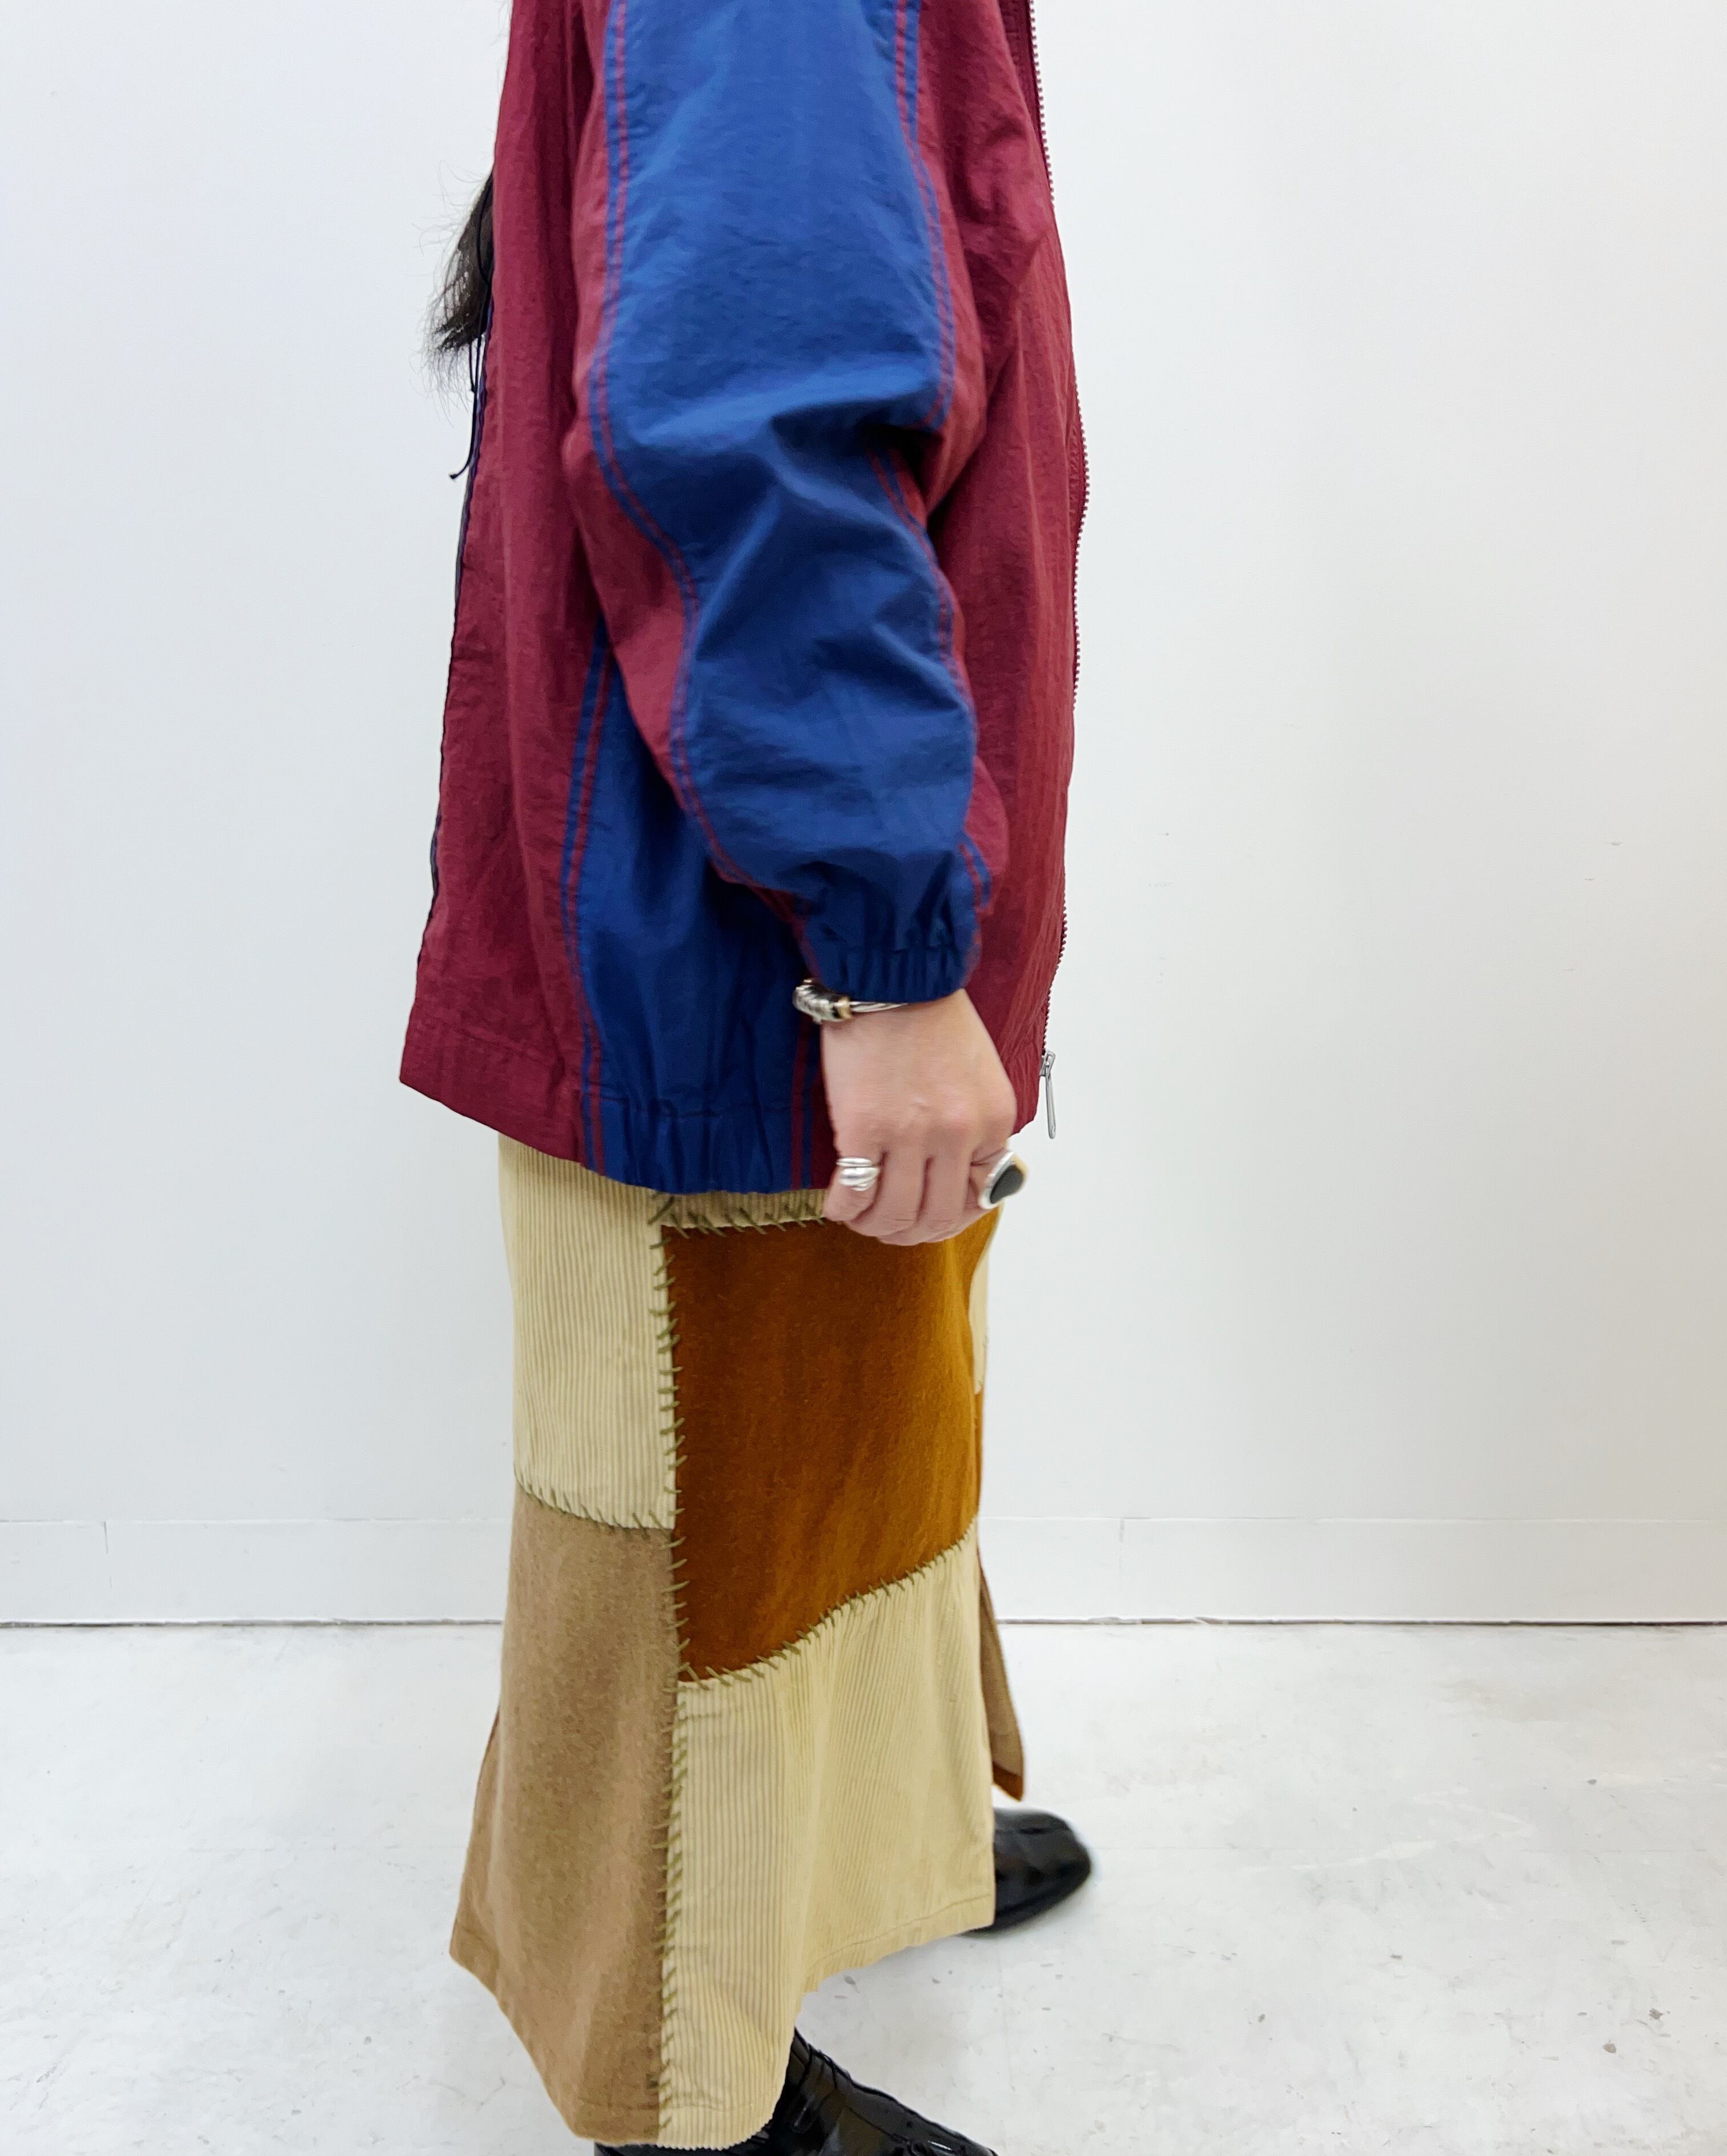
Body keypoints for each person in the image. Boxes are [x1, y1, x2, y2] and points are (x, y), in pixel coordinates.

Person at [403, 1, 1088, 2148]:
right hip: (732, 930)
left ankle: (876, 1823)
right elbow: (751, 409)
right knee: (701, 1519)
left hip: (742, 877)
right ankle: (692, 2086)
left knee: (844, 1431)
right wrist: (880, 954)